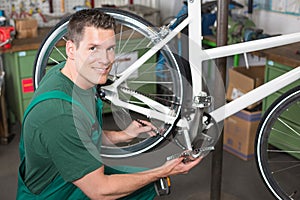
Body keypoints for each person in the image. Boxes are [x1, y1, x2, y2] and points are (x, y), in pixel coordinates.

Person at [17, 8, 202, 200]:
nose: (105, 60)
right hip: (54, 194)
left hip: (68, 175)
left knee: (140, 177)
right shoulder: (60, 114)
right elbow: (100, 191)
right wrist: (163, 171)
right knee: (147, 179)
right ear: (71, 49)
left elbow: (84, 134)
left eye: (110, 48)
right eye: (93, 49)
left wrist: (125, 135)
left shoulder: (72, 76)